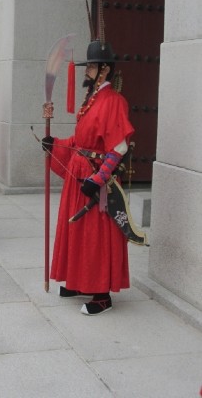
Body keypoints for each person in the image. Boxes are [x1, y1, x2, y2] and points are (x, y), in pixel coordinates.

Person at [42, 39, 134, 315]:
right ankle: (78, 281)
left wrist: (99, 178)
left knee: (96, 235)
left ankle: (101, 295)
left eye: (91, 67)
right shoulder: (91, 101)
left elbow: (119, 146)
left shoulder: (114, 102)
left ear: (104, 70)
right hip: (78, 174)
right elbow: (80, 142)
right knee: (77, 231)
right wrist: (54, 143)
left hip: (96, 179)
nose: (86, 71)